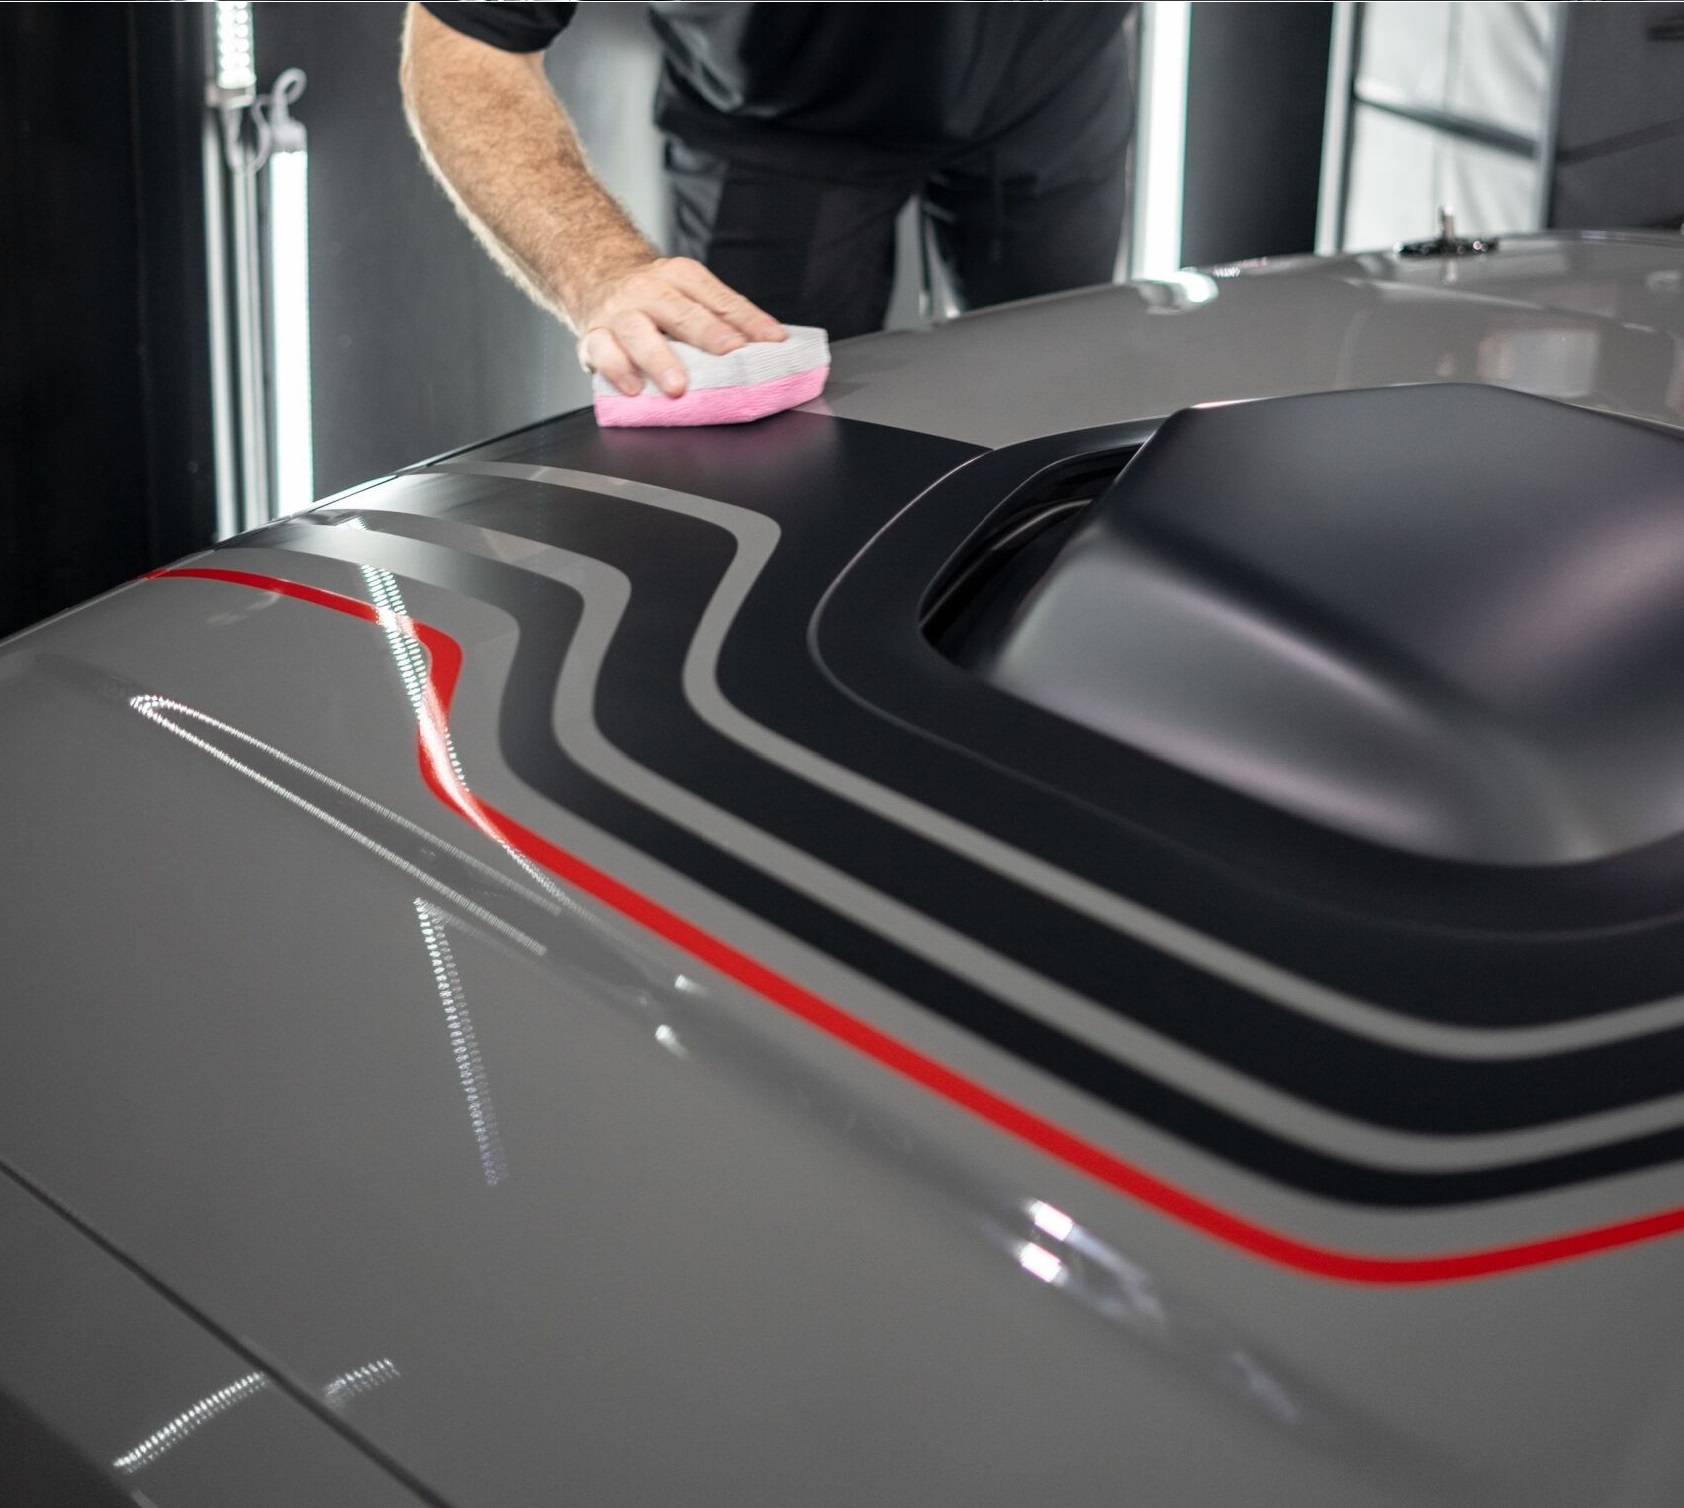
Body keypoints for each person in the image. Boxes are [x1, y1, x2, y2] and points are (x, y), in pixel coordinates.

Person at [401, 3, 1133, 398]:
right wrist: (601, 272)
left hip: (1049, 83)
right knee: (773, 477)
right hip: (777, 128)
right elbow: (466, 44)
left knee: (1063, 407)